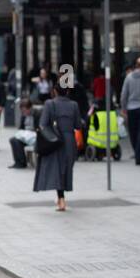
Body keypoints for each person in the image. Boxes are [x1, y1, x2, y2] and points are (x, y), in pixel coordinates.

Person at [34, 83, 82, 211]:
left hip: (55, 140)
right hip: (69, 140)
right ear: (66, 91)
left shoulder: (50, 104)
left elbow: (43, 124)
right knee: (66, 169)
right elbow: (78, 125)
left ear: (55, 91)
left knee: (57, 169)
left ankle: (61, 200)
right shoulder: (74, 105)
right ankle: (61, 198)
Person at [9, 99, 39, 169]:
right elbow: (21, 128)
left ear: (30, 108)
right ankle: (18, 162)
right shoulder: (23, 116)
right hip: (26, 136)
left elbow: (39, 127)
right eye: (22, 111)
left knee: (18, 140)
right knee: (14, 140)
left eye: (25, 110)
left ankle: (22, 162)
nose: (24, 112)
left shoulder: (37, 114)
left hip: (34, 136)